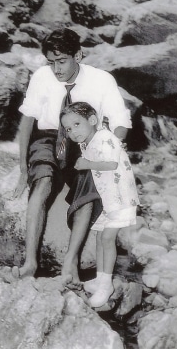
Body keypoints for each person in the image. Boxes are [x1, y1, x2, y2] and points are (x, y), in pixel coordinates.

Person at [12, 28, 132, 286]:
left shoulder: (102, 80)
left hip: (84, 140)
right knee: (42, 182)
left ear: (78, 55)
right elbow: (27, 121)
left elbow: (122, 121)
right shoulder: (41, 77)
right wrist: (23, 169)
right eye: (51, 62)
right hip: (47, 137)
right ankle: (30, 262)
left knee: (90, 189)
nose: (56, 69)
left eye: (62, 61)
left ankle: (70, 264)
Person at [60, 101, 139, 307]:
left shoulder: (104, 137)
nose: (72, 131)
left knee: (106, 237)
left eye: (77, 124)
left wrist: (88, 164)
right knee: (99, 236)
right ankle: (100, 278)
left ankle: (107, 285)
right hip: (108, 197)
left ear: (93, 120)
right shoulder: (87, 141)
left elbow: (111, 164)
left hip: (121, 197)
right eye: (68, 129)